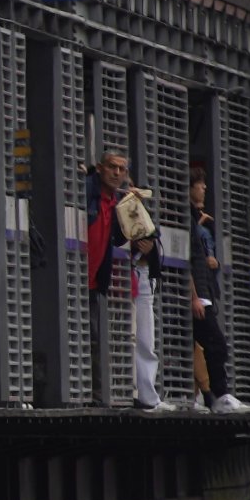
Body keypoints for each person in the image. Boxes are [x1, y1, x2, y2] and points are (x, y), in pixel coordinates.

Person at [85, 148, 162, 411]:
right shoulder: (89, 192)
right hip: (77, 278)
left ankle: (96, 394)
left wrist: (136, 207)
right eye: (112, 167)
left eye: (121, 169)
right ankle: (87, 393)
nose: (116, 173)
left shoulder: (120, 201)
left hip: (96, 280)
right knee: (88, 336)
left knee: (96, 338)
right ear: (100, 167)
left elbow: (140, 234)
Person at [190, 169, 249, 415]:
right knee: (216, 344)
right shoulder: (188, 220)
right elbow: (187, 259)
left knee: (203, 346)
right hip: (198, 295)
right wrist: (194, 296)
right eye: (199, 184)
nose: (204, 188)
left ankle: (205, 396)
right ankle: (218, 396)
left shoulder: (197, 220)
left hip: (204, 292)